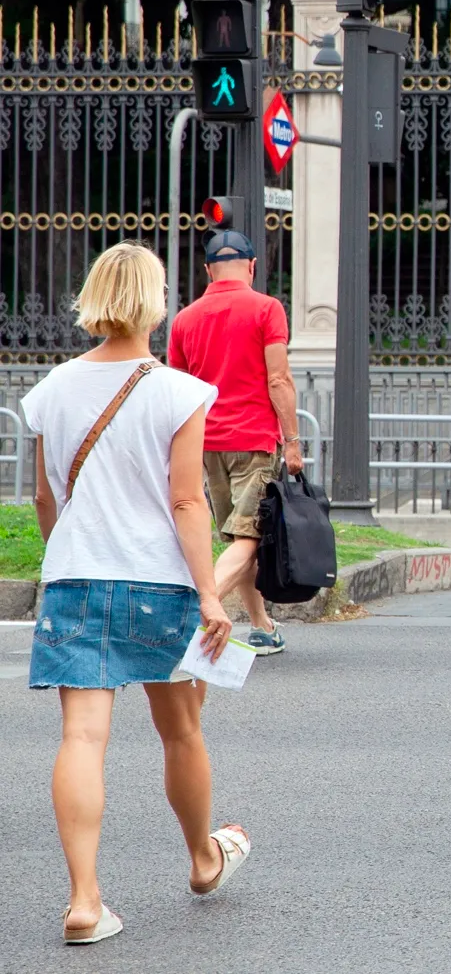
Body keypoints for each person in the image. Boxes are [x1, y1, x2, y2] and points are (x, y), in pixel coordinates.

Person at [23, 242, 250, 946]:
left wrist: (69, 553)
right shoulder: (178, 391)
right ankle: (204, 857)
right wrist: (211, 594)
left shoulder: (50, 388)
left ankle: (85, 900)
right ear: (156, 301)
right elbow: (188, 502)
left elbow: (42, 496)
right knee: (180, 728)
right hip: (157, 580)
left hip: (75, 578)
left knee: (82, 736)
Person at [169, 230, 302, 656]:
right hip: (256, 439)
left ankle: (261, 626)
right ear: (253, 265)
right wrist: (294, 442)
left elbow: (180, 391)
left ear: (207, 269)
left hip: (207, 445)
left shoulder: (185, 319)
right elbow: (278, 378)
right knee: (249, 537)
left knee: (238, 536)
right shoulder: (267, 309)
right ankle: (193, 614)